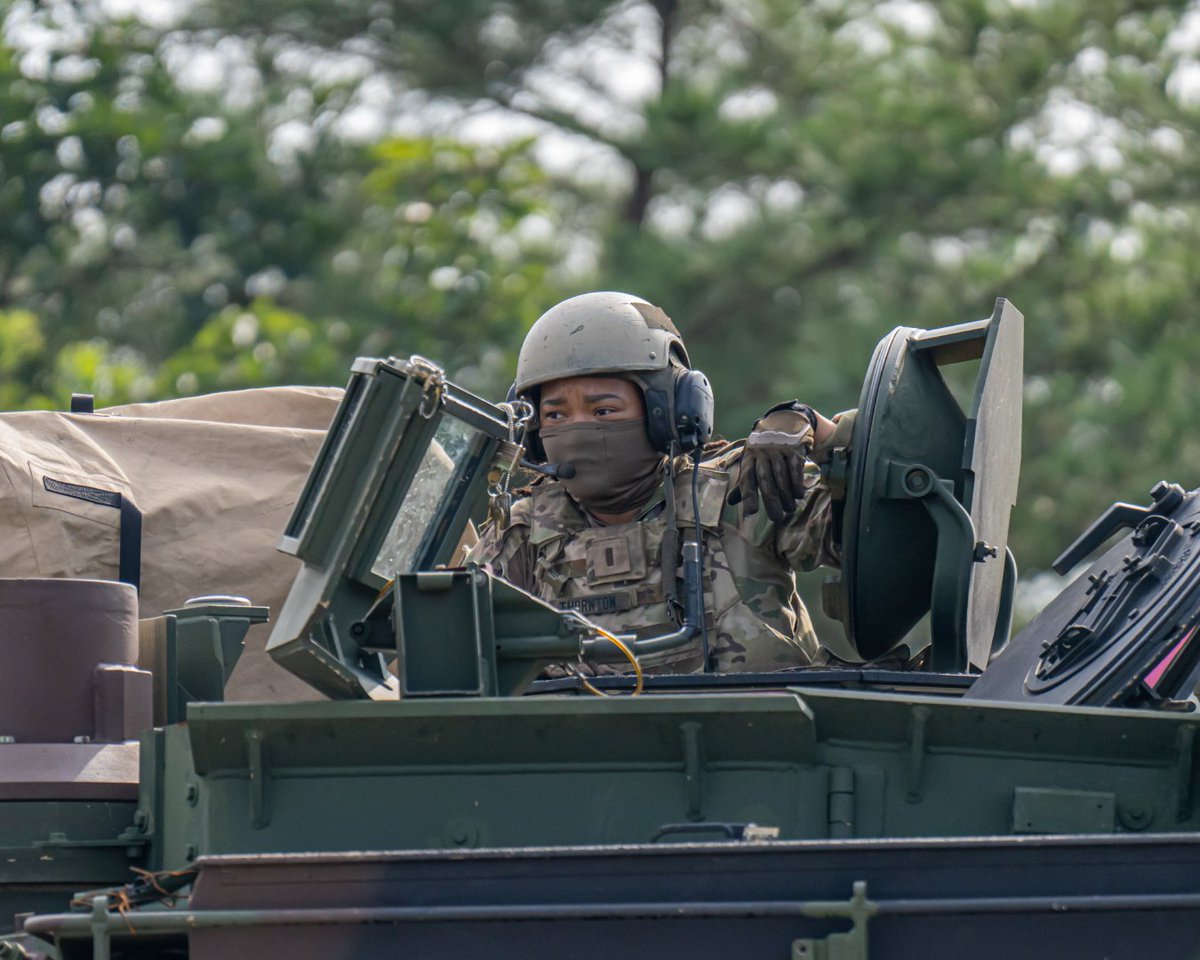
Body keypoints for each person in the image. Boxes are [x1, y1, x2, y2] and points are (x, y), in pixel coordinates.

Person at [469, 291, 852, 674]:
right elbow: (456, 644)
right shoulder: (524, 532)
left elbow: (868, 537)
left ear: (669, 413)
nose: (577, 429)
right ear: (534, 434)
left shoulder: (740, 492)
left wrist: (821, 431)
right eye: (555, 416)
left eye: (603, 410)